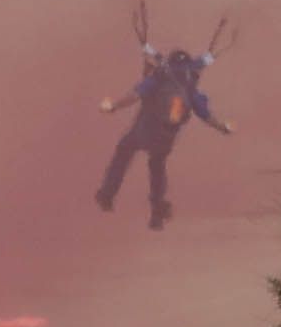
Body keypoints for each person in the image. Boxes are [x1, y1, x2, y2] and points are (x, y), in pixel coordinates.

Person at [95, 14, 228, 230]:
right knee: (157, 165)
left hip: (145, 130)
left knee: (124, 150)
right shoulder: (189, 86)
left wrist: (114, 106)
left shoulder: (160, 76)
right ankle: (157, 211)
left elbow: (135, 95)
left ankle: (107, 195)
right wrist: (223, 127)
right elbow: (205, 114)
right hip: (167, 137)